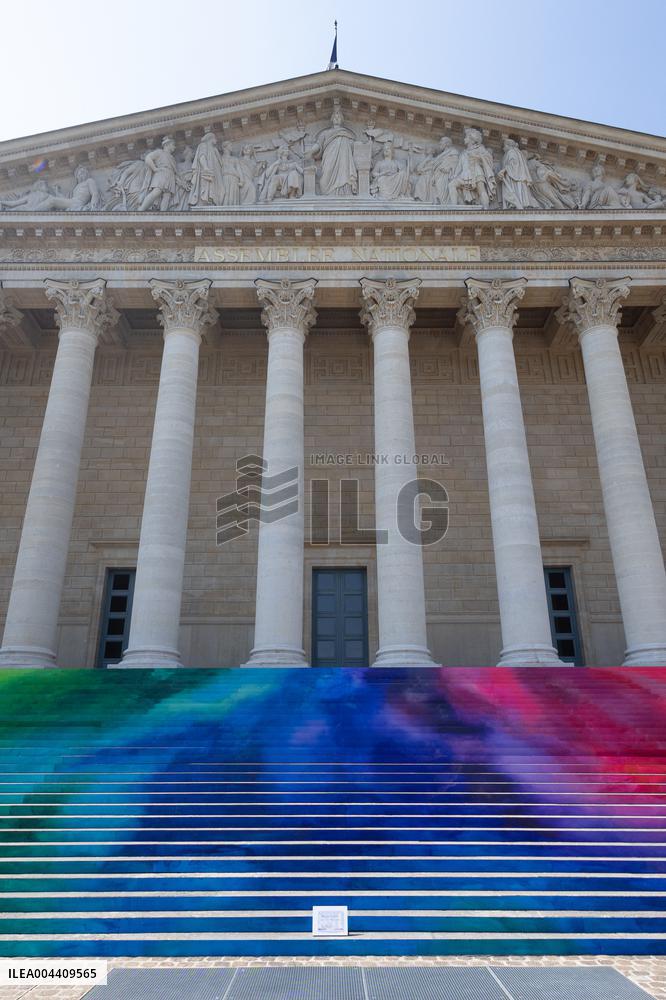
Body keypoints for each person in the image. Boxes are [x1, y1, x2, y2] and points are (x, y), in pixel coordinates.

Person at [308, 108, 358, 196]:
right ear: (332, 119)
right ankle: (329, 193)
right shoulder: (325, 133)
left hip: (343, 159)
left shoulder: (345, 133)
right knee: (325, 178)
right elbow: (319, 144)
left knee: (344, 173)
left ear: (342, 120)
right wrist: (311, 151)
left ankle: (344, 192)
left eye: (339, 117)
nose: (337, 118)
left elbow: (353, 145)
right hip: (329, 157)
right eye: (335, 117)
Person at [449, 127, 496, 207]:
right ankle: (454, 208)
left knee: (481, 191)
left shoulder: (480, 149)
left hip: (477, 172)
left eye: (466, 137)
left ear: (472, 139)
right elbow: (459, 167)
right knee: (451, 184)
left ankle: (486, 209)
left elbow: (489, 159)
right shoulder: (463, 153)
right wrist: (454, 175)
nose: (464, 139)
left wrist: (479, 157)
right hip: (465, 174)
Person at [140, 136, 183, 211]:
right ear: (167, 145)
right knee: (156, 192)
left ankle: (163, 214)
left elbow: (175, 172)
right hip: (161, 174)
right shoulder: (159, 152)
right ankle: (141, 209)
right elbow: (148, 158)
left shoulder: (172, 158)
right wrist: (154, 168)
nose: (175, 147)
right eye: (173, 145)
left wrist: (182, 183)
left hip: (170, 176)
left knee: (167, 196)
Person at [413, 136, 459, 204]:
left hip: (445, 175)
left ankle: (444, 206)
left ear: (447, 143)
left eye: (442, 141)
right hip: (436, 176)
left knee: (441, 194)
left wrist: (448, 168)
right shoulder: (440, 156)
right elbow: (432, 166)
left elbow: (455, 162)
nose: (440, 143)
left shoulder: (453, 151)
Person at [497, 138, 537, 209]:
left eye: (504, 146)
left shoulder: (511, 151)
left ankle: (515, 204)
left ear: (509, 145)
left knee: (515, 190)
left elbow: (514, 164)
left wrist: (503, 170)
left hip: (515, 178)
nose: (503, 148)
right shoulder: (516, 152)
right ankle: (516, 204)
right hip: (515, 176)